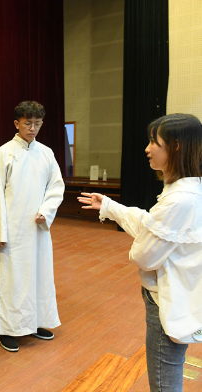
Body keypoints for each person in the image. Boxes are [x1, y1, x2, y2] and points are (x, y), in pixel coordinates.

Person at [78, 113, 202, 392]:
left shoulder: (178, 200)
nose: (147, 149)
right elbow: (152, 225)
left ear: (176, 146)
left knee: (163, 381)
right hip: (177, 296)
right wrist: (109, 206)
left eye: (153, 142)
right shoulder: (188, 190)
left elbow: (144, 254)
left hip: (164, 301)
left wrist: (138, 246)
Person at [0, 101, 64, 353]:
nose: (32, 128)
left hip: (38, 229)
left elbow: (56, 186)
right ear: (16, 123)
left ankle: (35, 322)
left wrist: (46, 210)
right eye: (28, 123)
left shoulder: (46, 153)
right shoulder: (3, 153)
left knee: (38, 277)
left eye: (37, 124)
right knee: (10, 279)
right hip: (12, 230)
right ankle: (6, 329)